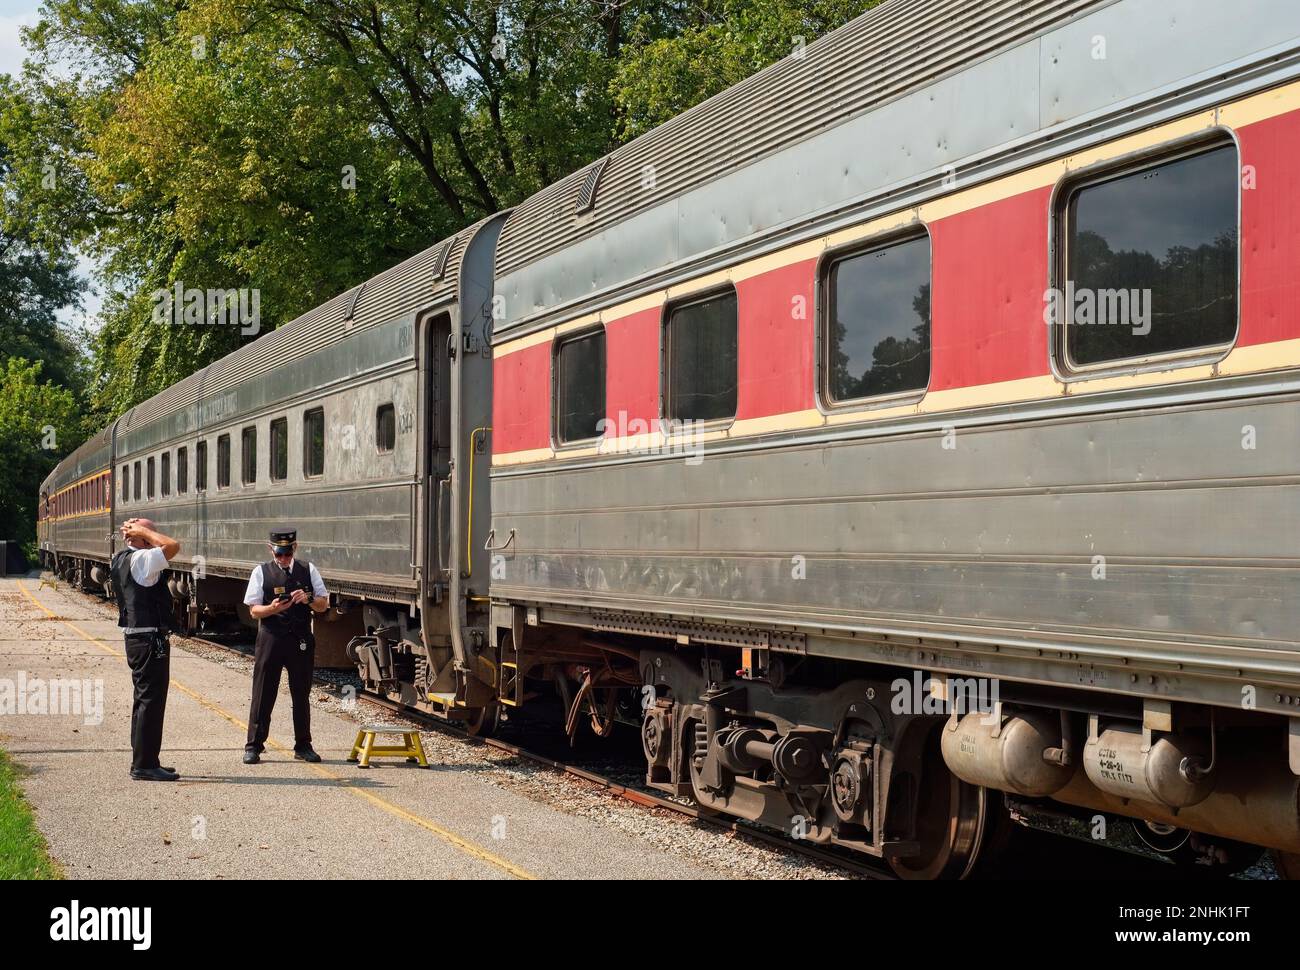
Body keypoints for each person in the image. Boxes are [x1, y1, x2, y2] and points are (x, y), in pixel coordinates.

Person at [242, 527, 329, 764]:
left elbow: (323, 605)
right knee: (263, 693)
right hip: (271, 639)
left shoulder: (308, 569)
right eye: (279, 554)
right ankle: (254, 746)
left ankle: (303, 745)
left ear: (295, 548)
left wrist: (308, 599)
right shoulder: (261, 572)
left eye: (287, 553)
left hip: (300, 639)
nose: (283, 558)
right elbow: (253, 611)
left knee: (301, 694)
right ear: (270, 549)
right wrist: (272, 608)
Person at [111, 518, 182, 781]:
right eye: (150, 533)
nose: (155, 537)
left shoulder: (121, 558)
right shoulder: (143, 558)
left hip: (137, 638)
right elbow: (173, 546)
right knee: (151, 702)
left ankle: (145, 759)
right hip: (149, 639)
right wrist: (145, 532)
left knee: (143, 701)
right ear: (141, 536)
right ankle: (144, 765)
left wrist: (142, 533)